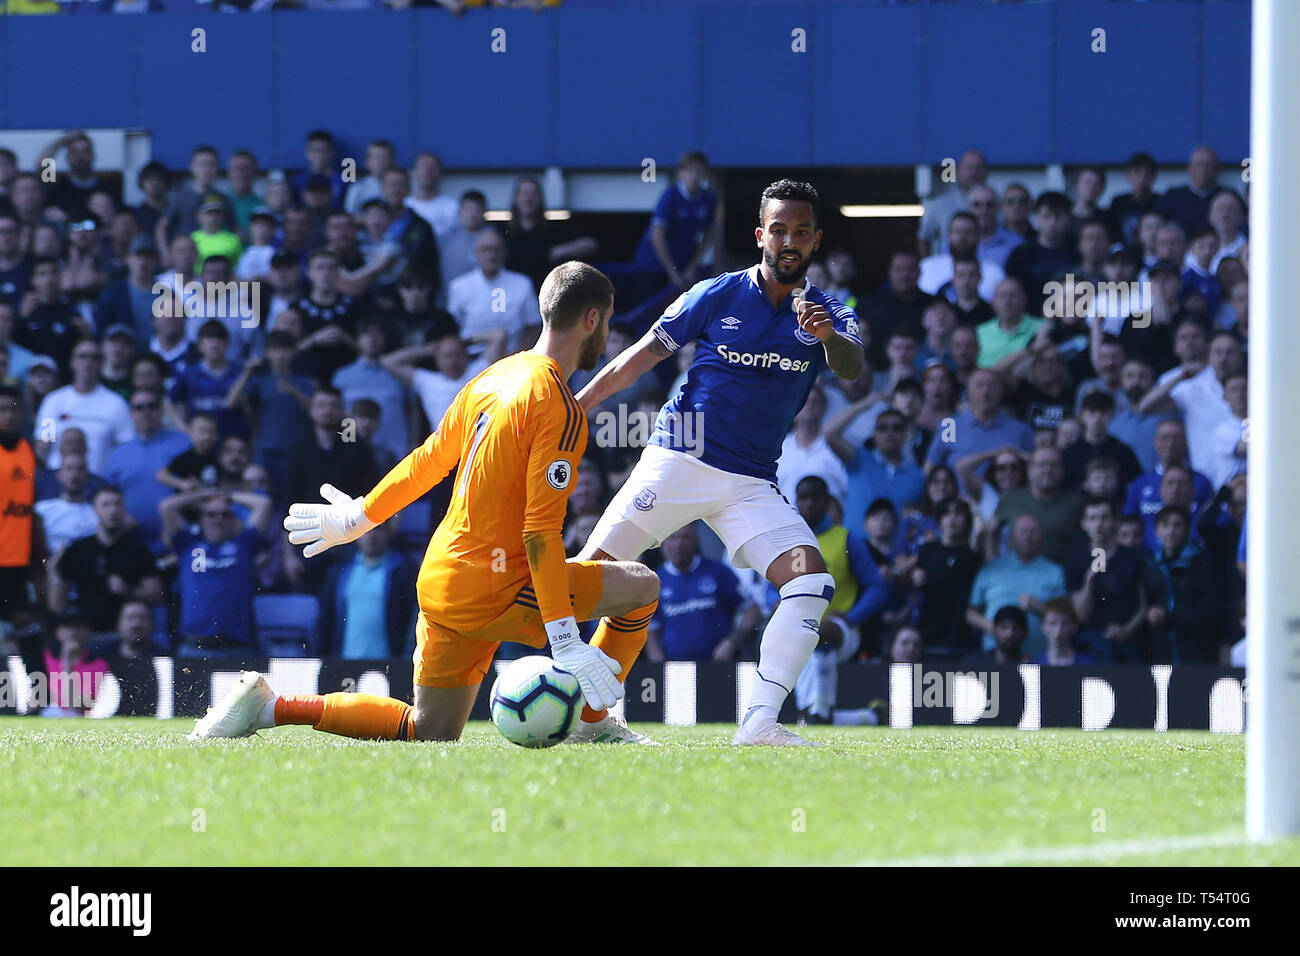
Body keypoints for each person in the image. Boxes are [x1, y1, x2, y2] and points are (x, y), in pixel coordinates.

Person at [191, 262, 661, 745]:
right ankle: (592, 723)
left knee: (428, 729)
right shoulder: (556, 403)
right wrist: (566, 640)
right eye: (607, 322)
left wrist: (358, 516)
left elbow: (429, 459)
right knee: (642, 587)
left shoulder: (494, 377)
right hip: (497, 587)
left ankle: (270, 707)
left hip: (442, 580)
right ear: (591, 319)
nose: (607, 334)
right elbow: (539, 533)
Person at [572, 180, 865, 746]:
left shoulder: (831, 312)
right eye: (778, 230)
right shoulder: (716, 293)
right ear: (761, 234)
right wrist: (580, 405)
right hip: (680, 457)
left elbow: (853, 369)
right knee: (587, 576)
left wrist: (828, 336)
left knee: (811, 582)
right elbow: (641, 356)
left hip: (751, 482)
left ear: (815, 241)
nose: (788, 241)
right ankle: (578, 710)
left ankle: (760, 723)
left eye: (800, 232)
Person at [790, 476, 889, 723]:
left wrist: (853, 616)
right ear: (796, 502)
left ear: (828, 502)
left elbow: (877, 586)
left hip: (843, 630)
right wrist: (775, 600)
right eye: (804, 498)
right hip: (799, 628)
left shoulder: (847, 540)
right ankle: (860, 718)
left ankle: (821, 708)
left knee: (819, 632)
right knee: (796, 636)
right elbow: (773, 584)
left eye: (816, 497)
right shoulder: (791, 540)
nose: (810, 503)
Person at [163, 488, 273, 658]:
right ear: (201, 519)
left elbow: (263, 504)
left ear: (233, 520)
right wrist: (204, 494)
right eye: (211, 514)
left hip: (238, 649)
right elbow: (167, 507)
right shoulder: (187, 544)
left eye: (225, 514)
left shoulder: (244, 545)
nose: (218, 519)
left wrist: (228, 495)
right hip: (195, 647)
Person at [47, 486, 163, 636]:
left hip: (124, 636)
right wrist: (55, 572)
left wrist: (129, 590)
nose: (112, 511)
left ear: (124, 509)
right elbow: (57, 607)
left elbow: (157, 596)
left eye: (117, 504)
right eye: (106, 505)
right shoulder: (78, 550)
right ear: (94, 510)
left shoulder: (138, 550)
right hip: (86, 635)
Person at [646, 523, 756, 663]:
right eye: (673, 538)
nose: (679, 544)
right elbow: (651, 630)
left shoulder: (718, 572)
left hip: (718, 665)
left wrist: (731, 642)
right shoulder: (654, 581)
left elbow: (752, 610)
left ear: (696, 540)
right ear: (662, 543)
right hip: (675, 669)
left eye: (685, 537)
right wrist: (658, 666)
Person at [966, 513, 1067, 659]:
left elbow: (1065, 617)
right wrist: (991, 626)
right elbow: (971, 613)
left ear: (1042, 537)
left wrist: (1040, 607)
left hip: (1039, 657)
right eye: (1023, 532)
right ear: (1011, 538)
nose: (1028, 536)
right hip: (995, 655)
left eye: (1034, 532)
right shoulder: (991, 569)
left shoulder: (1055, 572)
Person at [318, 520, 418, 660]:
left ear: (388, 531)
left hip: (391, 666)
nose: (372, 535)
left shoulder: (404, 571)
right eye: (365, 530)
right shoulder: (339, 571)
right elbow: (326, 621)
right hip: (344, 664)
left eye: (378, 529)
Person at [1066, 497, 1149, 663]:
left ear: (1115, 521)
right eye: (1092, 518)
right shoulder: (1075, 561)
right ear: (1084, 523)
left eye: (1104, 517)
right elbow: (1081, 616)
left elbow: (1144, 604)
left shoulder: (1134, 558)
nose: (1098, 524)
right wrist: (1088, 582)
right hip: (1089, 645)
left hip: (1130, 644)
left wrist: (1127, 630)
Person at [912, 499, 980, 655]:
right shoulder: (927, 550)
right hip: (928, 633)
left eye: (958, 514)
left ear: (967, 521)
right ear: (939, 520)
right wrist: (914, 575)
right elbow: (916, 583)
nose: (952, 518)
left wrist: (975, 513)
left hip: (962, 638)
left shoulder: (973, 555)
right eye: (946, 513)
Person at [1036, 598, 1094, 666]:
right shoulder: (1035, 667)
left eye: (1064, 623)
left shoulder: (1088, 665)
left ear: (1074, 627)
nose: (1058, 630)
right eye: (1053, 623)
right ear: (1043, 627)